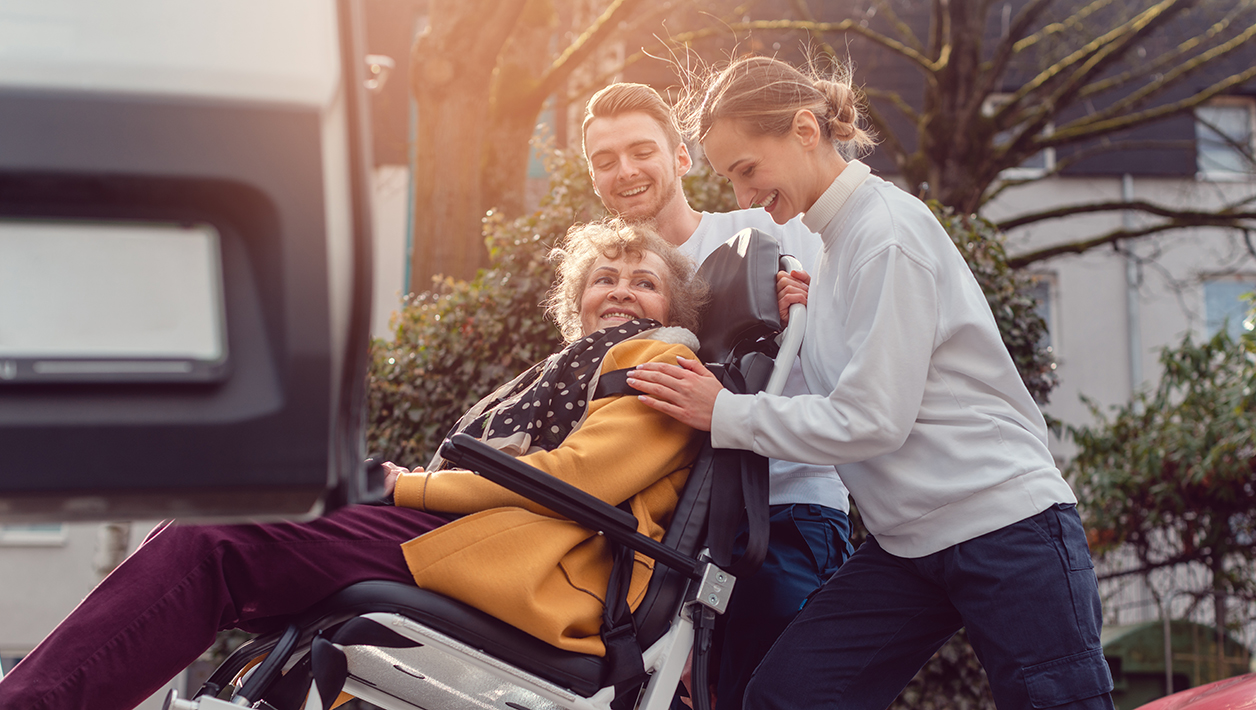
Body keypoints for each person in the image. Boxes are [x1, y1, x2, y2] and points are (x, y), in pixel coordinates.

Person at [0, 219, 709, 710]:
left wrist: (413, 487)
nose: (620, 291)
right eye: (604, 278)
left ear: (674, 308)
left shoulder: (661, 358)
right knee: (208, 525)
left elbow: (580, 479)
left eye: (643, 282)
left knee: (213, 542)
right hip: (485, 536)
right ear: (575, 303)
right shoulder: (561, 370)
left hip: (535, 565)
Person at [625, 56, 1116, 710]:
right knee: (787, 696)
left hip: (1005, 526)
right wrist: (812, 302)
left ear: (805, 130)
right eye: (729, 178)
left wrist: (724, 412)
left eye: (746, 170)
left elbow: (871, 420)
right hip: (911, 545)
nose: (742, 198)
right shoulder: (834, 249)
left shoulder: (885, 234)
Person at [582, 83, 853, 710]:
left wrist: (813, 307)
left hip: (780, 512)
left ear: (681, 157)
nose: (625, 171)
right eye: (605, 159)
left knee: (768, 694)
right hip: (662, 541)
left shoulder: (764, 226)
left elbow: (848, 349)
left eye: (641, 150)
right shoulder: (613, 284)